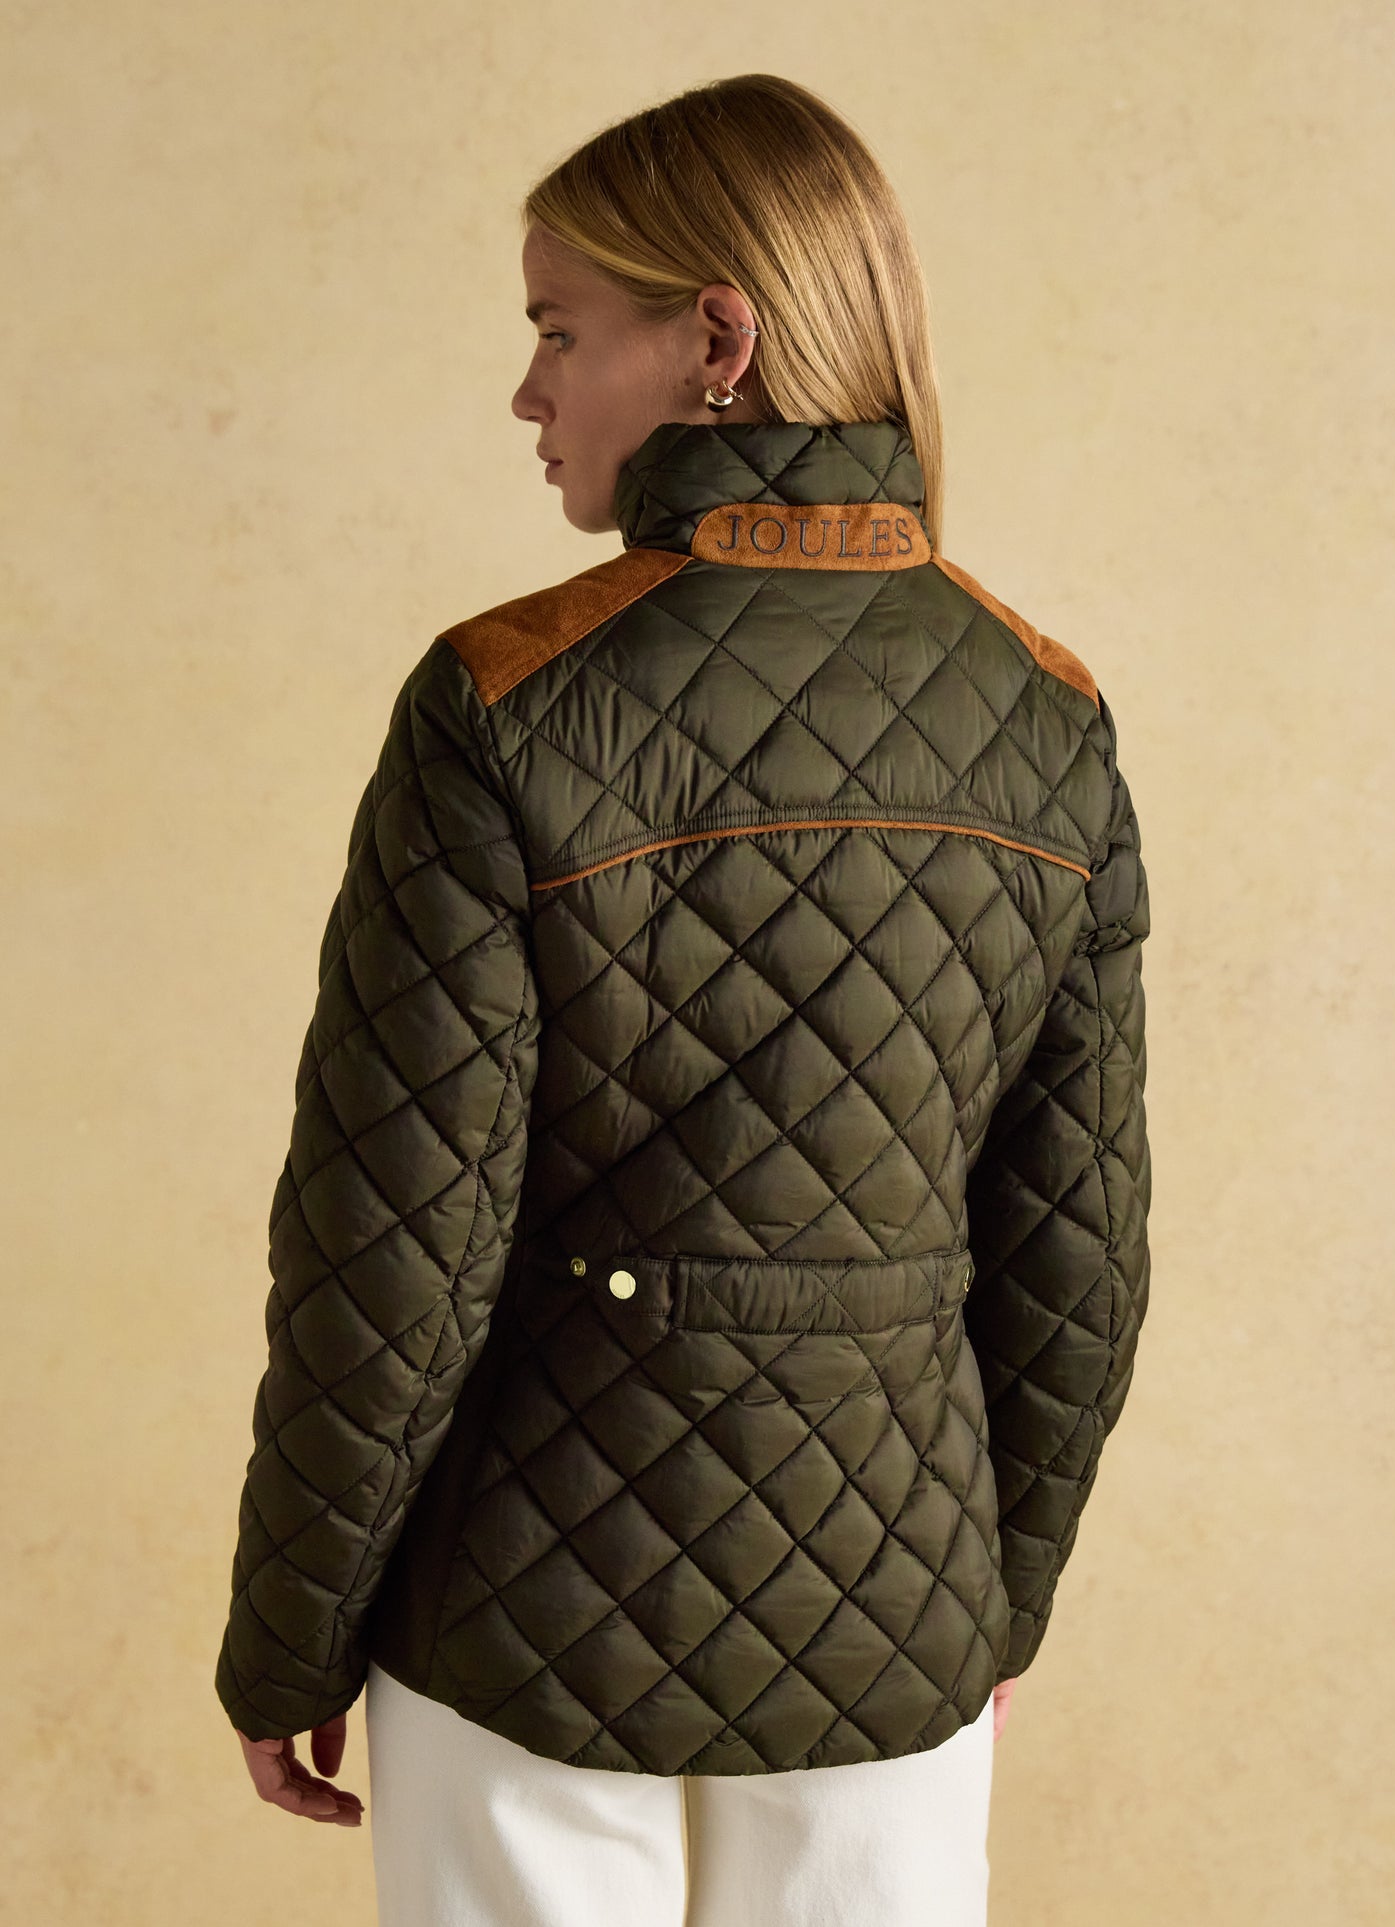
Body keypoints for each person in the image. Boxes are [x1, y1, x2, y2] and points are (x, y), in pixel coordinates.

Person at [217, 72, 1151, 1927]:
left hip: (520, 1623)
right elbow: (1077, 1254)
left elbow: (390, 1249)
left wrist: (291, 1635)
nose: (529, 391)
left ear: (717, 340)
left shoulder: (503, 702)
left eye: (560, 329)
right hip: (896, 1620)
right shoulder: (1047, 716)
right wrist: (992, 1602)